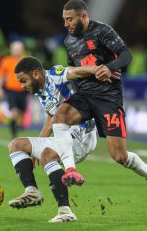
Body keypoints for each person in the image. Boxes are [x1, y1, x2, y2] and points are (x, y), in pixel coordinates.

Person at [51, 0, 147, 203]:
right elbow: (76, 70)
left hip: (108, 98)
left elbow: (126, 55)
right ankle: (70, 170)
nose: (66, 24)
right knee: (60, 116)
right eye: (64, 19)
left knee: (119, 156)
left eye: (70, 19)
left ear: (83, 16)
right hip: (84, 95)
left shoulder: (102, 31)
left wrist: (110, 67)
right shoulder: (68, 41)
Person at [8, 56, 110, 222]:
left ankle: (66, 212)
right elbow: (51, 115)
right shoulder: (39, 91)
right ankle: (32, 192)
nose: (22, 85)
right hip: (63, 134)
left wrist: (95, 69)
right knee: (16, 145)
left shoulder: (54, 75)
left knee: (48, 155)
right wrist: (35, 148)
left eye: (24, 80)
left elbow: (74, 72)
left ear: (36, 74)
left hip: (82, 134)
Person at [0, 41, 27, 138]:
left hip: (24, 90)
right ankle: (13, 130)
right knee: (14, 110)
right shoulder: (6, 61)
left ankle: (15, 124)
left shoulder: (26, 61)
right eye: (15, 49)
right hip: (11, 90)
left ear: (22, 50)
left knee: (22, 110)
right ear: (11, 50)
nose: (16, 51)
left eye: (18, 49)